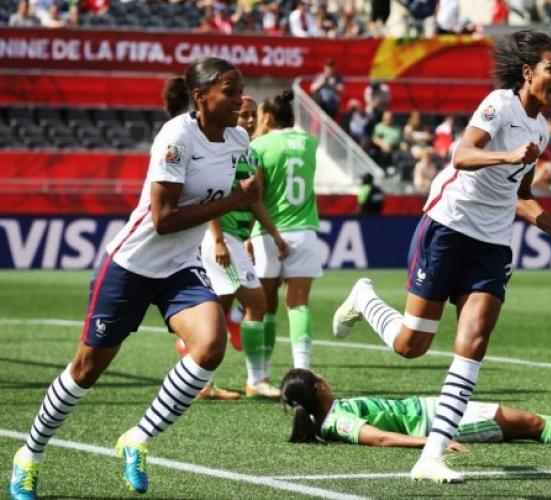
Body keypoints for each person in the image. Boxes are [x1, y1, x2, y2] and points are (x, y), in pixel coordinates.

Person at [331, 30, 551, 483]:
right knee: (411, 345)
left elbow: (520, 194)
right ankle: (364, 297)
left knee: (474, 341)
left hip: (492, 242)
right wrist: (507, 154)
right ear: (528, 73)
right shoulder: (499, 105)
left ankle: (431, 455)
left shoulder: (543, 130)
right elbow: (462, 154)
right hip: (448, 226)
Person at [8, 57, 262, 499]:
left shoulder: (239, 140)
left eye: (240, 89)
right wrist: (235, 202)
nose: (240, 99)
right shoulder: (176, 137)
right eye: (230, 91)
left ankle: (137, 438)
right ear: (200, 98)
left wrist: (257, 221)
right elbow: (164, 219)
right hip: (131, 265)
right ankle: (29, 455)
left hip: (180, 268)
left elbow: (240, 194)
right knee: (87, 369)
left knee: (211, 346)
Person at [280, 369, 551, 448]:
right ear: (318, 387)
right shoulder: (336, 421)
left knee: (524, 419)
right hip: (440, 421)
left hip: (434, 410)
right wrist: (434, 442)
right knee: (531, 423)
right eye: (319, 375)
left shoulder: (327, 414)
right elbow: (380, 439)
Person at [196, 94, 289, 400]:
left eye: (252, 115)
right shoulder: (222, 152)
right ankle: (256, 379)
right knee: (258, 303)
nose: (248, 121)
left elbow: (255, 201)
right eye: (242, 115)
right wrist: (220, 240)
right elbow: (208, 197)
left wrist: (272, 234)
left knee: (218, 313)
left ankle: (200, 383)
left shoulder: (250, 154)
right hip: (220, 238)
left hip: (235, 238)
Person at [250, 90, 321, 372]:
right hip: (304, 231)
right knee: (299, 304)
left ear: (267, 117)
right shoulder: (310, 143)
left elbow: (256, 195)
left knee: (263, 307)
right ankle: (301, 369)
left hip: (268, 231)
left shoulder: (260, 145)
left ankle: (260, 373)